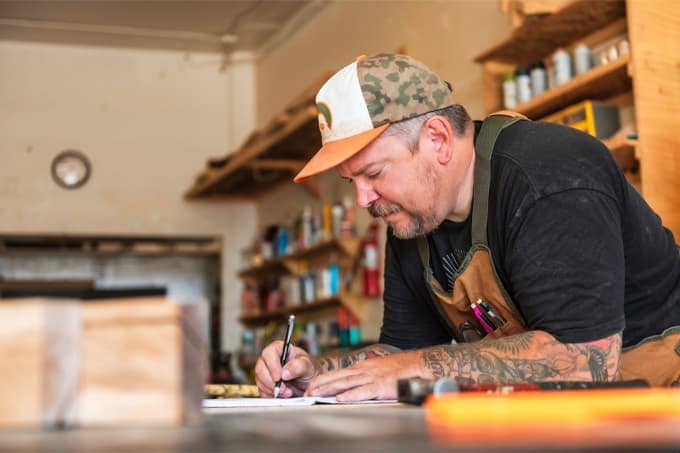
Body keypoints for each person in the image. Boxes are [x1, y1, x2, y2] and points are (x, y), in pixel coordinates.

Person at [254, 53, 680, 401]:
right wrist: (316, 372)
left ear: (437, 139)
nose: (363, 199)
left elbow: (587, 360)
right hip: (566, 418)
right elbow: (404, 350)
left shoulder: (548, 174)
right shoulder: (413, 220)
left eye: (375, 173)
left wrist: (412, 368)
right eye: (354, 183)